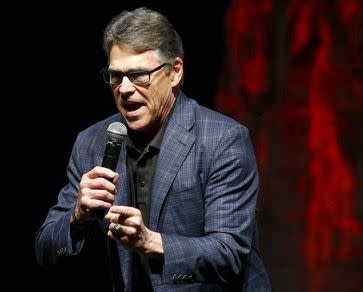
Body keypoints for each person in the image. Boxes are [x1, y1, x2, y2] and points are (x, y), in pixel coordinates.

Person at [35, 7, 272, 292]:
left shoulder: (222, 139)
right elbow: (47, 250)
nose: (124, 89)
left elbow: (229, 252)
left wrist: (150, 241)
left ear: (174, 72)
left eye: (138, 75)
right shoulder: (92, 142)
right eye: (115, 76)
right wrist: (77, 216)